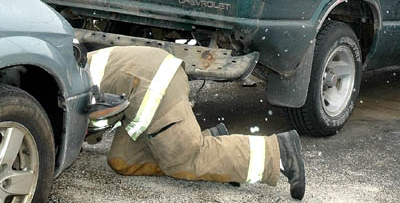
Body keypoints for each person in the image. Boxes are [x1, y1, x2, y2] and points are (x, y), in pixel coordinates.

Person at [85, 45, 306, 200]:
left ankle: (277, 154)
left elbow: (82, 131)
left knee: (183, 159)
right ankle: (212, 144)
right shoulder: (67, 67)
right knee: (122, 160)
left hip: (153, 85)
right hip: (144, 83)